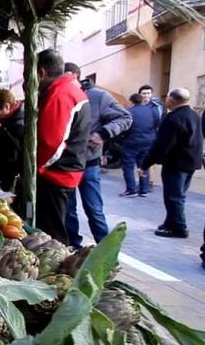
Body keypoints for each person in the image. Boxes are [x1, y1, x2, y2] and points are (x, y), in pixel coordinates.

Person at [63, 63, 131, 249]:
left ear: (75, 75)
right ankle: (73, 247)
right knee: (68, 210)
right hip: (66, 163)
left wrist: (103, 133)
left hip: (89, 162)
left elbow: (125, 118)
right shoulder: (60, 94)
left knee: (93, 209)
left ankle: (106, 251)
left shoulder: (98, 96)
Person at [34, 50, 92, 245]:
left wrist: (37, 169)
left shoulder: (61, 94)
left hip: (56, 174)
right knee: (59, 226)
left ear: (41, 73)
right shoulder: (69, 89)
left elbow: (52, 142)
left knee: (53, 235)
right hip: (65, 171)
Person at [142, 88, 203, 239]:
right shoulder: (195, 115)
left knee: (174, 197)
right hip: (190, 162)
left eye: (167, 97)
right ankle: (170, 222)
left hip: (176, 163)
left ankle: (179, 228)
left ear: (171, 100)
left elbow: (162, 145)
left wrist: (146, 163)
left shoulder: (173, 118)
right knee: (178, 194)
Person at [120, 93, 160, 197]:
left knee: (128, 166)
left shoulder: (129, 112)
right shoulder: (151, 110)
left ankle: (131, 189)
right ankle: (144, 189)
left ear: (131, 101)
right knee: (143, 165)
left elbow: (124, 127)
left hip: (132, 141)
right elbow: (156, 123)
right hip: (148, 141)